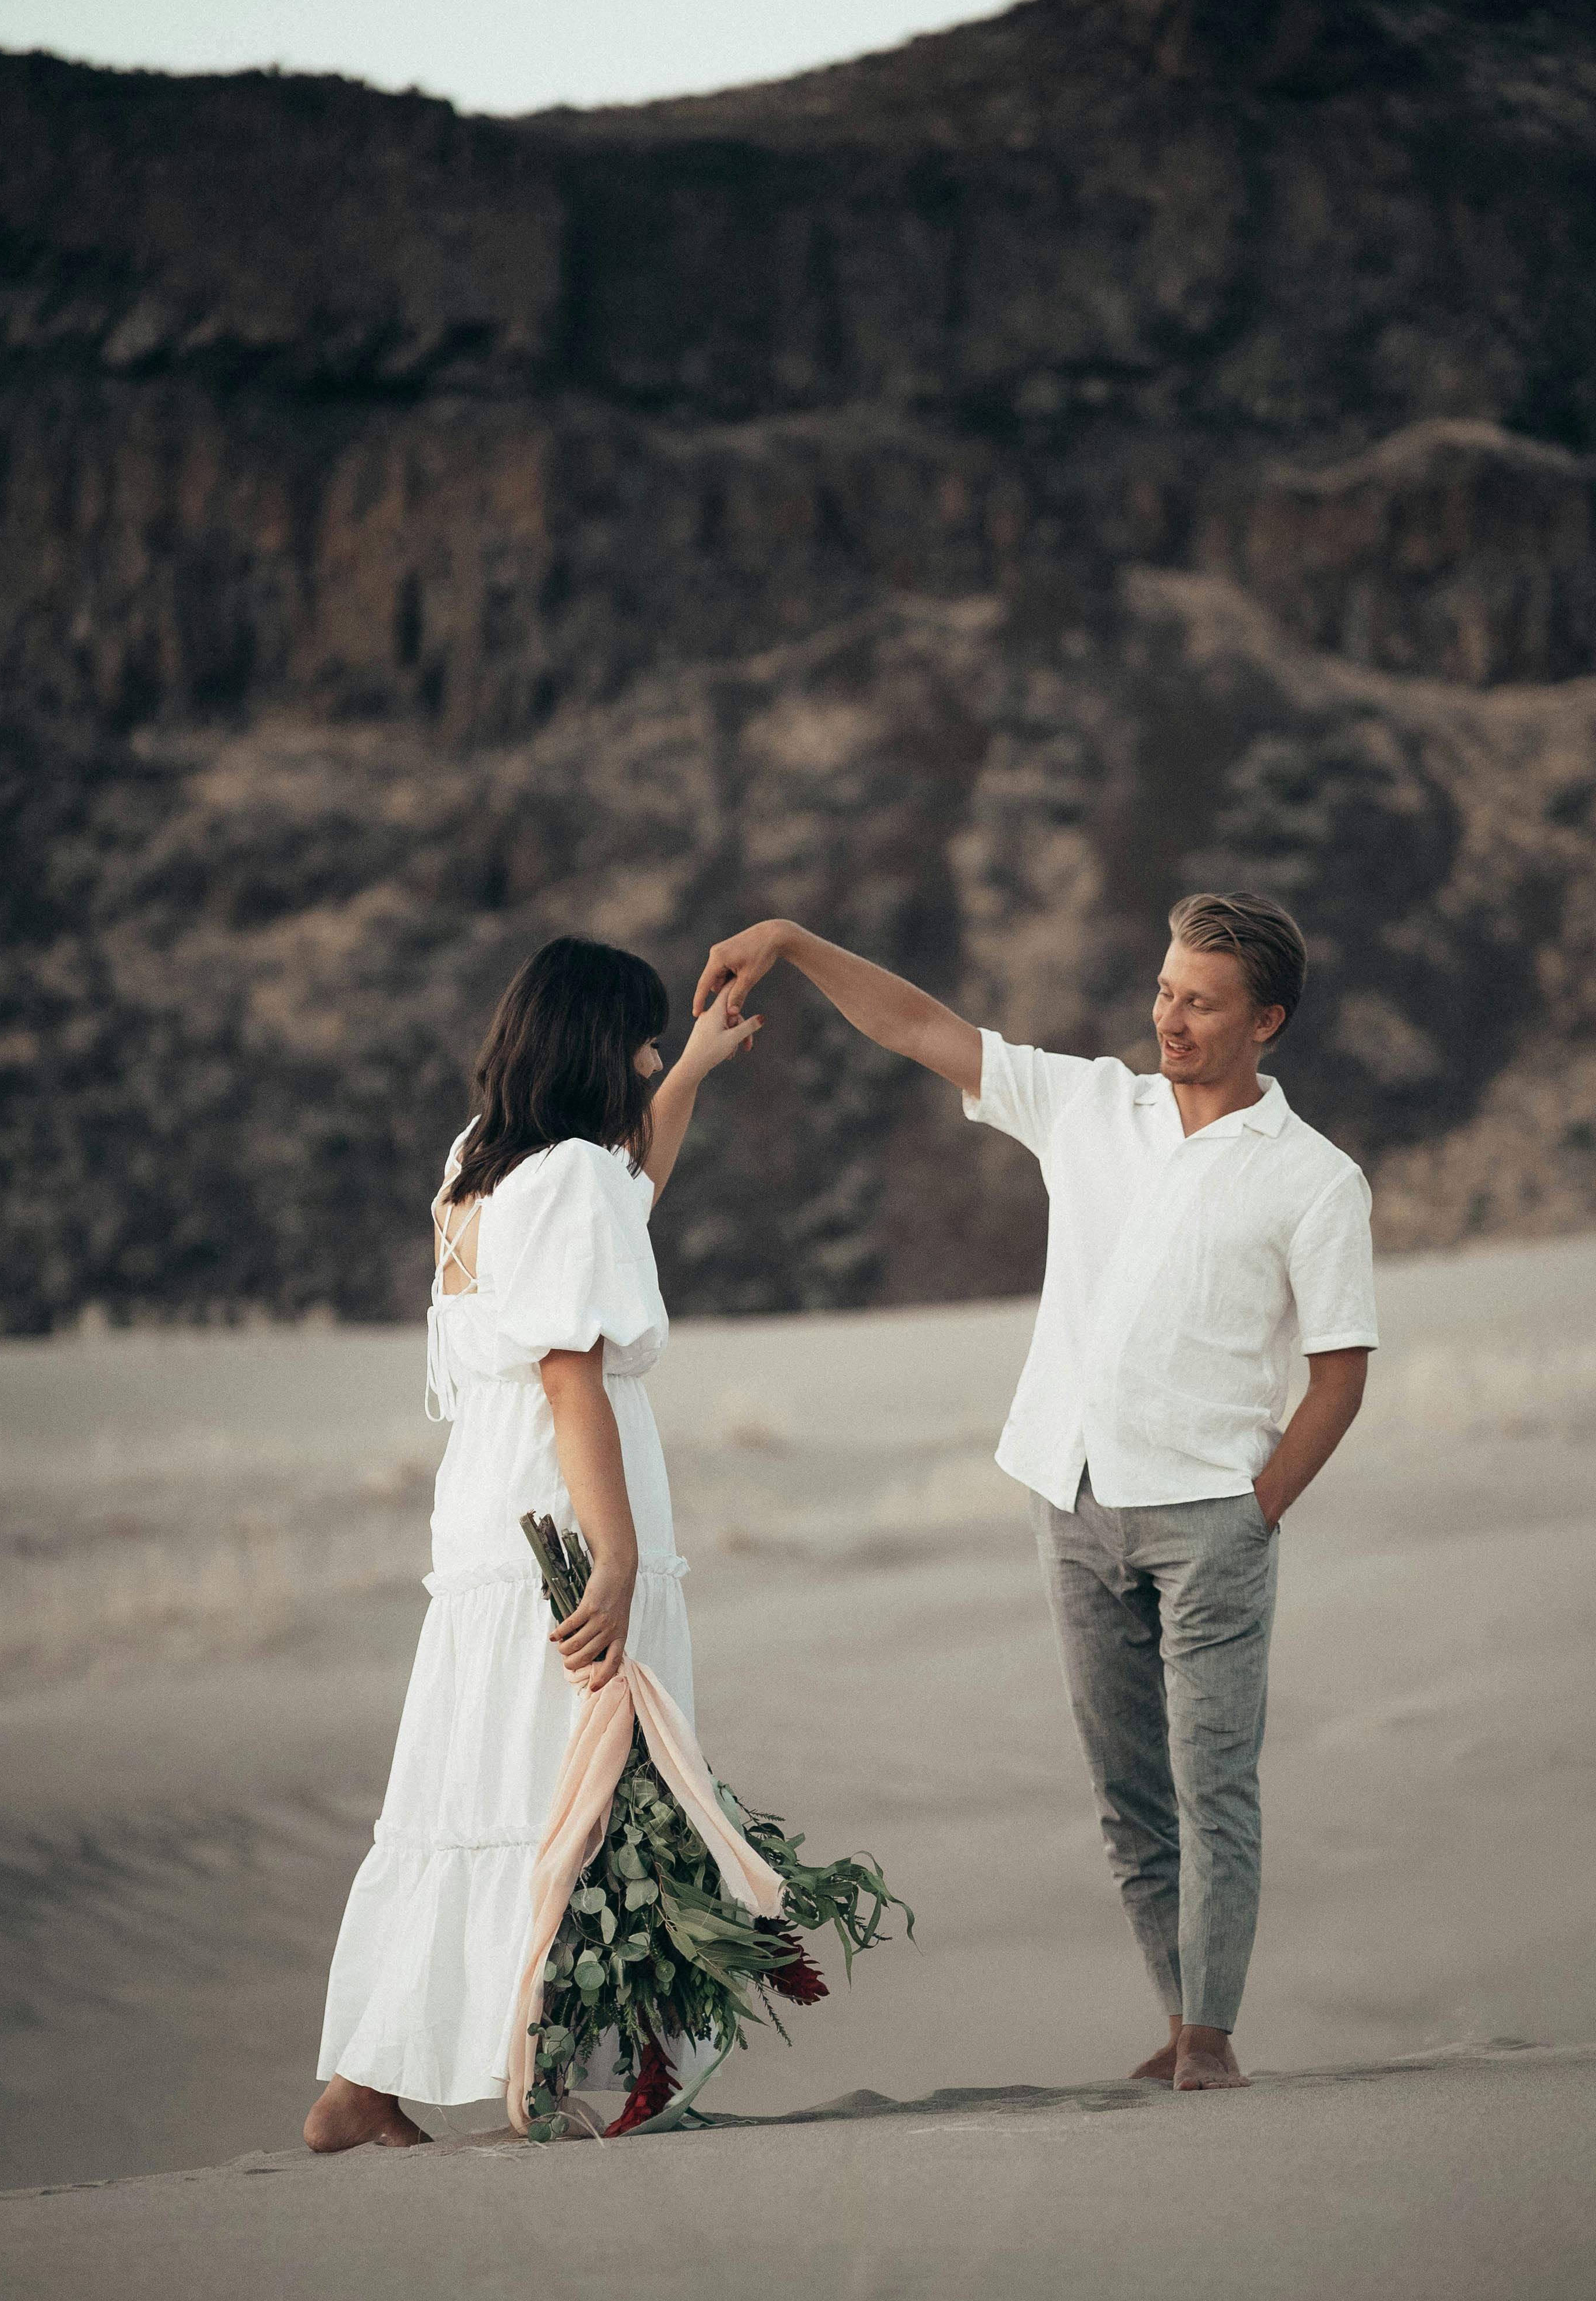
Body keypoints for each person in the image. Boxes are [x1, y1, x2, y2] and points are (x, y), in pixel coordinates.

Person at [693, 892, 1376, 2094]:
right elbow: (917, 1027)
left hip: (1210, 1515)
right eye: (1165, 989)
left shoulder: (1316, 1180)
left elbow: (1340, 1372)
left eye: (1201, 1001)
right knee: (1129, 1795)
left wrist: (1254, 1509)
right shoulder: (1090, 1105)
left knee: (1213, 1782)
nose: (1169, 1016)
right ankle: (1179, 2022)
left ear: (1267, 1019)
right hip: (1069, 1495)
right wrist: (795, 944)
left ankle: (1211, 2036)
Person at [306, 936, 761, 2149]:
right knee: (581, 1786)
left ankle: (367, 2079)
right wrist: (612, 1556)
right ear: (595, 1050)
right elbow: (575, 1372)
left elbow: (623, 1196)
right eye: (648, 1040)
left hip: (484, 1516)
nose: (656, 1057)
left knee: (479, 1778)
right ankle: (548, 2068)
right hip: (567, 1511)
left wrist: (696, 1076)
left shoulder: (481, 1162)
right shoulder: (571, 1179)